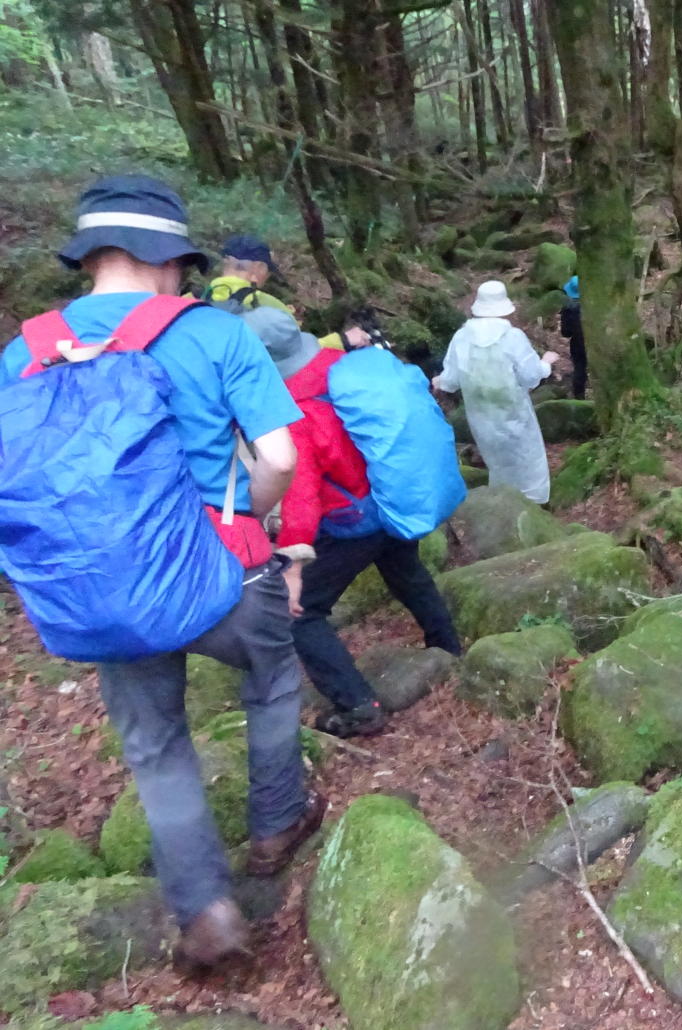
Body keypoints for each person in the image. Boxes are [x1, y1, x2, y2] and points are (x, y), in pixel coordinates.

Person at [0, 176, 323, 968]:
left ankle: (204, 909)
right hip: (221, 575)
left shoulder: (25, 350)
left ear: (92, 256)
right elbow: (281, 454)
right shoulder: (212, 333)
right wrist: (251, 512)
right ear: (169, 257)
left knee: (156, 746)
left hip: (103, 585)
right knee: (274, 676)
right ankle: (277, 824)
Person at [244, 308, 464, 738]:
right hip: (391, 498)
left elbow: (302, 494)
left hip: (354, 519)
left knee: (301, 614)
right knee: (406, 572)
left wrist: (292, 564)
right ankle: (446, 645)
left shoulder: (293, 408)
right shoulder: (344, 369)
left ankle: (359, 706)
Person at [433, 280, 558, 504]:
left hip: (481, 417)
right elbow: (531, 376)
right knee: (527, 460)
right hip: (515, 414)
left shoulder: (462, 337)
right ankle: (535, 506)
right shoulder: (513, 337)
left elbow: (450, 381)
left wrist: (439, 381)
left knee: (497, 461)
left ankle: (504, 504)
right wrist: (546, 363)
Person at [207, 233, 366, 352]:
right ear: (260, 269)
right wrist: (342, 340)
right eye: (268, 273)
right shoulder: (269, 306)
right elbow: (297, 354)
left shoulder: (195, 299)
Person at [559, 274, 588, 400]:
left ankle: (579, 396)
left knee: (579, 368)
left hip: (578, 343)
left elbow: (565, 333)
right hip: (597, 343)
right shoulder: (595, 306)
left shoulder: (568, 309)